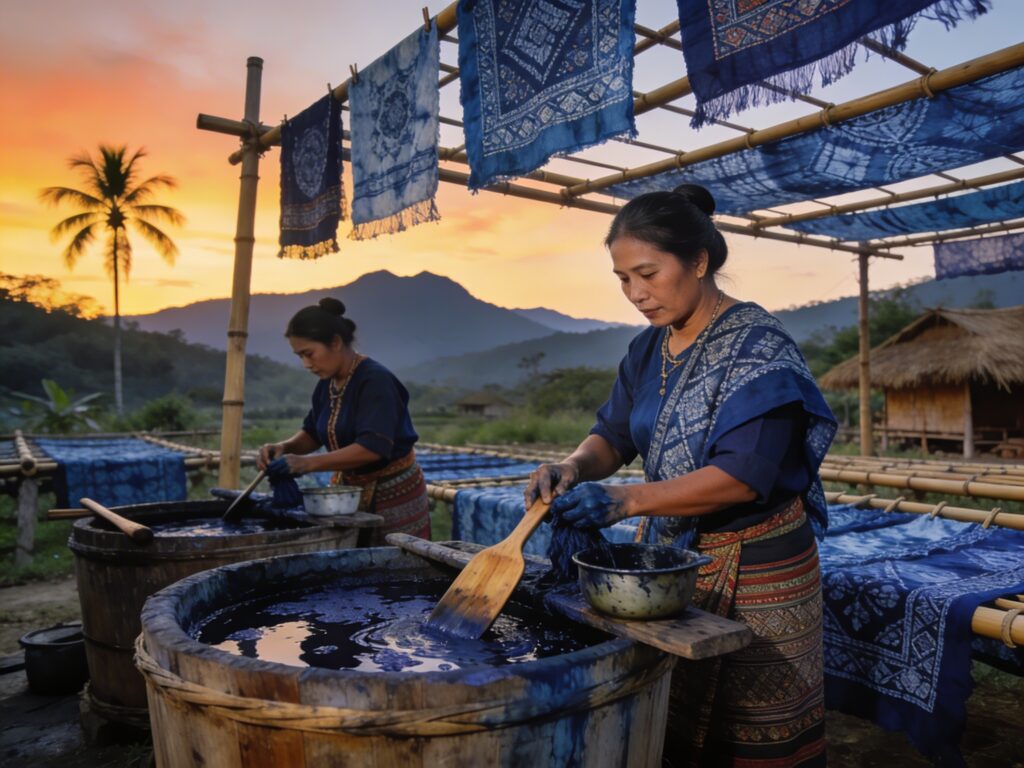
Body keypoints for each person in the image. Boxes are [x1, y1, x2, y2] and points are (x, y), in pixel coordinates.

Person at [526, 185, 837, 767]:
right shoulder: (647, 350)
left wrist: (625, 500)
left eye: (647, 273)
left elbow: (745, 476)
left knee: (751, 735)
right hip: (669, 565)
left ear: (698, 261)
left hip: (758, 571)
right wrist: (571, 466)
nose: (636, 294)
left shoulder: (756, 348)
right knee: (669, 722)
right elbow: (613, 435)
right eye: (622, 278)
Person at [257, 298, 431, 544]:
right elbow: (314, 433)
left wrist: (305, 464)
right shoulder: (326, 385)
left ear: (335, 342)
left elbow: (373, 448)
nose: (306, 364)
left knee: (392, 568)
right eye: (300, 356)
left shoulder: (375, 381)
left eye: (309, 354)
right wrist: (285, 448)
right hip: (349, 495)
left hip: (393, 493)